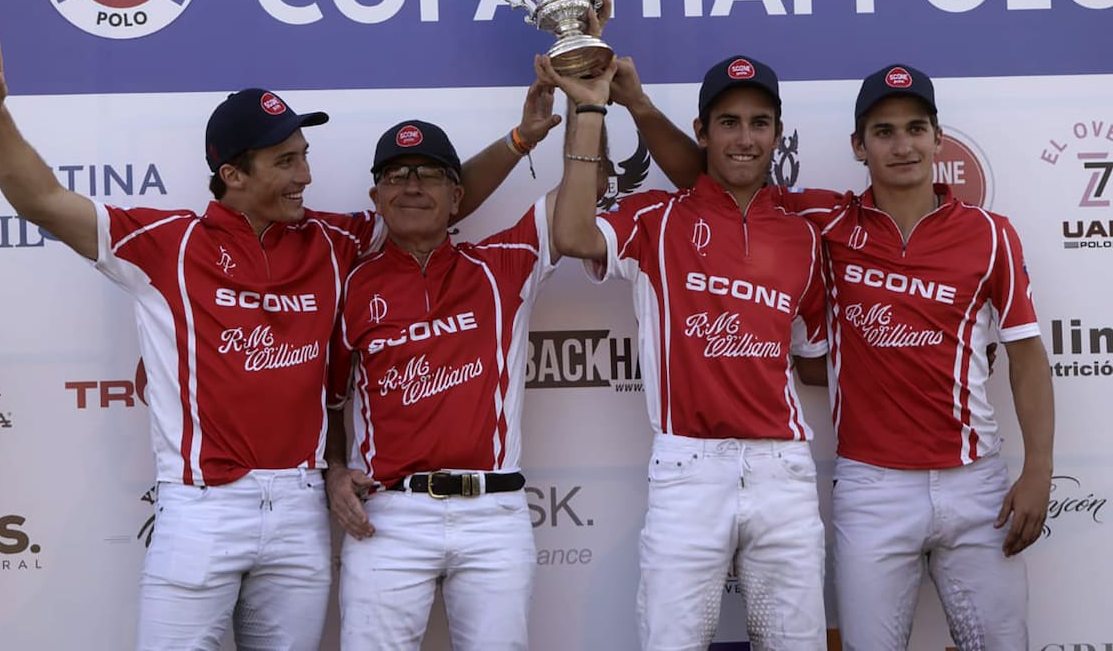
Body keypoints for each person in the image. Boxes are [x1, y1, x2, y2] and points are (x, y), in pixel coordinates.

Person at [0, 28, 557, 651]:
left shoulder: (332, 240)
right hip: (202, 508)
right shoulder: (171, 244)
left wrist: (518, 141)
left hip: (299, 508)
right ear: (233, 174)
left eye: (303, 154)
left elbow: (431, 204)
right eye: (287, 161)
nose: (307, 175)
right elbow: (46, 201)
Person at [619, 60, 1054, 650]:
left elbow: (1027, 357)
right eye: (883, 132)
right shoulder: (825, 221)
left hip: (976, 480)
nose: (902, 145)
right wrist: (640, 107)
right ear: (858, 145)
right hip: (871, 485)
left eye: (915, 129)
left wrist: (1038, 470)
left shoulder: (991, 233)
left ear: (937, 137)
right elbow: (716, 177)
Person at [542, 54, 831, 650]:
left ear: (778, 133)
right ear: (702, 132)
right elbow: (572, 235)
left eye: (759, 123)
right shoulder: (659, 217)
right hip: (688, 467)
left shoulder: (804, 233)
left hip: (784, 471)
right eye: (728, 122)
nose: (744, 138)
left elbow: (812, 358)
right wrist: (593, 106)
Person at [323, 81, 578, 651]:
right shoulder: (349, 284)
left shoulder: (502, 266)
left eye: (430, 175)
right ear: (375, 196)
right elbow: (327, 400)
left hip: (494, 514)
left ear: (458, 196)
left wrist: (586, 103)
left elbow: (577, 197)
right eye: (396, 175)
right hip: (386, 516)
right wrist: (334, 471)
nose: (412, 187)